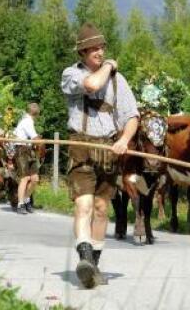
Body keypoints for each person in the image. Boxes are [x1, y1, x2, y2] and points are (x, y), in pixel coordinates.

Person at [61, 22, 139, 289]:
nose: (99, 52)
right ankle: (83, 258)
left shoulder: (120, 82)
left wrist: (125, 140)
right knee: (83, 205)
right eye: (93, 48)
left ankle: (93, 263)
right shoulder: (71, 74)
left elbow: (131, 117)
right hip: (80, 146)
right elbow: (93, 85)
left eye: (102, 47)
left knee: (102, 208)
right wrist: (109, 66)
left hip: (108, 148)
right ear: (82, 53)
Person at [13, 103, 41, 214]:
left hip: (29, 150)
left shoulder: (28, 120)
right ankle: (20, 204)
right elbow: (35, 138)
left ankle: (26, 199)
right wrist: (40, 140)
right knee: (24, 178)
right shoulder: (27, 121)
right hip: (21, 150)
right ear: (36, 114)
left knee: (35, 179)